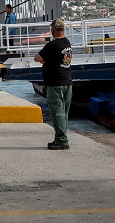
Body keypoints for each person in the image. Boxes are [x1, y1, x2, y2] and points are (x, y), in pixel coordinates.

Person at [34, 19, 72, 150]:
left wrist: (45, 60)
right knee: (64, 113)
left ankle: (62, 140)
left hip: (55, 83)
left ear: (53, 30)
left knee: (57, 112)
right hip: (67, 82)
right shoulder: (67, 43)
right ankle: (59, 138)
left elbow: (37, 58)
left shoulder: (52, 45)